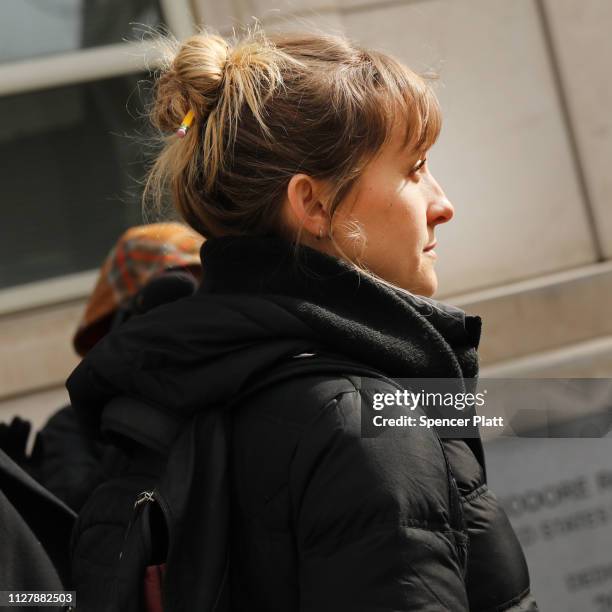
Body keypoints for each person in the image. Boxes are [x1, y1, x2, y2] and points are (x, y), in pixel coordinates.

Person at [66, 26, 538, 611]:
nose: (443, 204)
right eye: (414, 169)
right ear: (312, 205)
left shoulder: (169, 394)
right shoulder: (361, 427)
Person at [0, 223, 203, 512]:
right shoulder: (73, 428)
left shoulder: (233, 393)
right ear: (118, 326)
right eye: (162, 310)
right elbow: (80, 519)